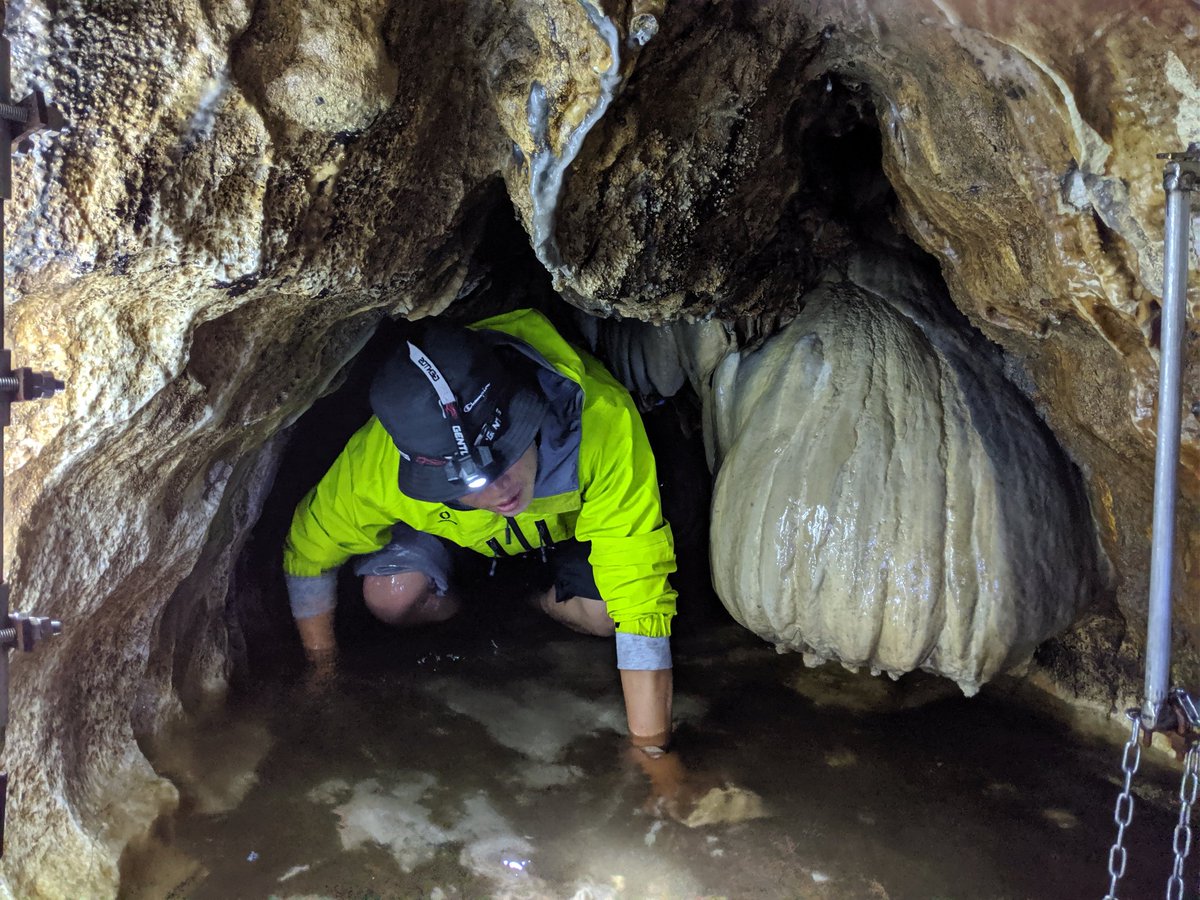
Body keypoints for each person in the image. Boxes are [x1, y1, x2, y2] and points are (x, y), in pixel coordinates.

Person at [283, 307, 679, 766]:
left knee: (606, 615)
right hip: (456, 537)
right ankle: (471, 608)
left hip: (568, 529)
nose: (499, 492)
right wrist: (322, 672)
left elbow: (640, 599)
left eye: (505, 455)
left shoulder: (599, 422)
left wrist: (653, 754)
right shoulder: (377, 466)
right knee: (390, 596)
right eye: (469, 484)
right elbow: (309, 550)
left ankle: (532, 601)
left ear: (527, 408)